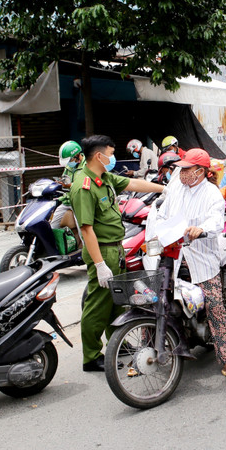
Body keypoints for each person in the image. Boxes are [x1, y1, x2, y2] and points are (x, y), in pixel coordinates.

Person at [69, 135, 165, 372]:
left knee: (116, 302)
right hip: (102, 250)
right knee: (97, 304)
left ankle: (117, 343)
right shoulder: (84, 185)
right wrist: (100, 264)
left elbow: (132, 184)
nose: (113, 158)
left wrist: (165, 188)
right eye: (110, 154)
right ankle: (91, 356)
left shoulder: (103, 177)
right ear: (99, 156)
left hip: (116, 248)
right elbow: (86, 229)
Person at [151, 148, 226, 382]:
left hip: (201, 260)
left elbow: (216, 221)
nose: (181, 172)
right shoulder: (175, 189)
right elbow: (161, 214)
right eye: (180, 168)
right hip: (172, 256)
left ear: (200, 171)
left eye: (186, 169)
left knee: (215, 308)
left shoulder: (212, 193)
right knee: (154, 300)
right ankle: (148, 353)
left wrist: (201, 229)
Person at [52, 140, 84, 232]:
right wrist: (60, 182)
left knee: (84, 231)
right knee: (52, 227)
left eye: (70, 160)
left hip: (81, 203)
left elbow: (87, 184)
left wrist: (70, 185)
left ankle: (85, 246)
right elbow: (65, 178)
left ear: (77, 155)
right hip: (67, 201)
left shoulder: (88, 166)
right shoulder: (68, 166)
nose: (69, 163)